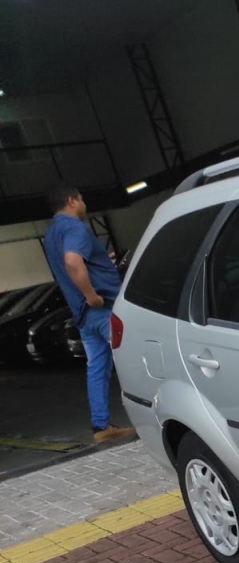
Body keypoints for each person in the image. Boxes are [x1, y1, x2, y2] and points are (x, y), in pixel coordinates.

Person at [42, 184, 134, 443]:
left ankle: (101, 426)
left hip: (83, 316)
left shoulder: (51, 234)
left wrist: (103, 263)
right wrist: (92, 295)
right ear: (71, 200)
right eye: (81, 199)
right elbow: (73, 261)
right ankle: (152, 416)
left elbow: (73, 263)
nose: (84, 204)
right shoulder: (74, 227)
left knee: (97, 368)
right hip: (102, 308)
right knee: (133, 358)